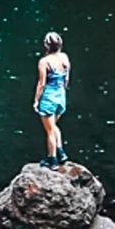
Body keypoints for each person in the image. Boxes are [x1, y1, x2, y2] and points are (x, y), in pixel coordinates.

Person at [32, 31, 71, 165]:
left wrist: (36, 100)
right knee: (54, 126)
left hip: (49, 98)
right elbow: (66, 79)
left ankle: (52, 159)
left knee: (49, 131)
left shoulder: (44, 62)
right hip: (60, 96)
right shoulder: (64, 58)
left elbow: (41, 83)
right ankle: (61, 153)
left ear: (46, 46)